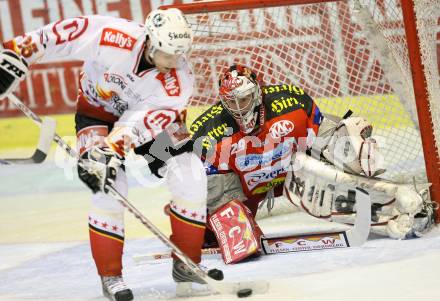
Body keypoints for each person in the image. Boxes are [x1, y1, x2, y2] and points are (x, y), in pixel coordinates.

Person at [0, 9, 220, 301]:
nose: (174, 62)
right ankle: (111, 276)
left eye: (180, 54)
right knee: (108, 184)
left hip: (150, 125)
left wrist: (110, 150)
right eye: (168, 54)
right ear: (151, 43)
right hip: (95, 116)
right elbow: (63, 34)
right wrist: (18, 52)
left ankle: (188, 264)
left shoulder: (179, 82)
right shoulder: (115, 36)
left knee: (190, 170)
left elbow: (141, 123)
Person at [186, 64, 435, 261]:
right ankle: (214, 232)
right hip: (245, 187)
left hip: (296, 170)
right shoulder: (207, 129)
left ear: (258, 93)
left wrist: (354, 150)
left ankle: (380, 204)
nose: (239, 108)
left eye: (244, 99)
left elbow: (326, 136)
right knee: (220, 220)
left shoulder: (291, 102)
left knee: (348, 139)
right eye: (231, 102)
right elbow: (203, 179)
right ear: (222, 101)